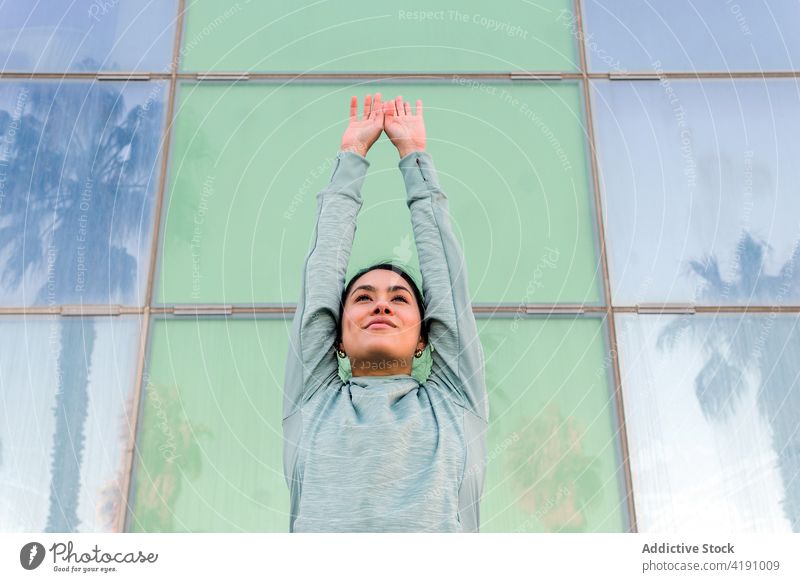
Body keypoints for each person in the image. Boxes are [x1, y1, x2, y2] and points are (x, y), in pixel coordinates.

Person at [282, 92, 488, 532]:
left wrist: (414, 157)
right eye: (362, 297)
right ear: (336, 336)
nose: (380, 303)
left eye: (399, 298)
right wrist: (351, 156)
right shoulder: (313, 403)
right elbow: (320, 281)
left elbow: (447, 286)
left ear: (424, 339)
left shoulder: (453, 403)